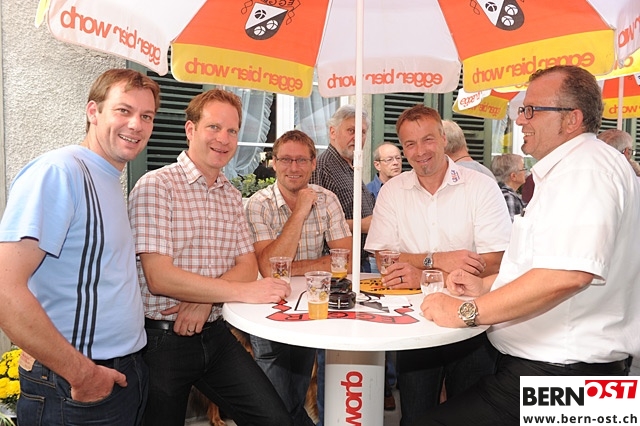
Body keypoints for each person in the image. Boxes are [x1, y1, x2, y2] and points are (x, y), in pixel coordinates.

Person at [419, 65, 640, 426]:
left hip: (564, 377)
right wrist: (486, 286)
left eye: (531, 109)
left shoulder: (584, 170)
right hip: (564, 371)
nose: (520, 119)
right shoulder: (577, 168)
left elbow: (567, 275)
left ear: (572, 119)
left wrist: (465, 312)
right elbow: (546, 263)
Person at [0, 69, 160, 425]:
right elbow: (4, 287)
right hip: (76, 387)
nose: (136, 124)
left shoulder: (107, 177)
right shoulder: (60, 171)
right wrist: (83, 375)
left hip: (120, 372)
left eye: (147, 116)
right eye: (123, 110)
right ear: (93, 112)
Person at [128, 89, 293, 426]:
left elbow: (247, 265)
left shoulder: (230, 194)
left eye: (232, 130)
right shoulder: (156, 186)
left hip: (216, 333)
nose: (224, 139)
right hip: (162, 341)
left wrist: (204, 300)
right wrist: (239, 291)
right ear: (190, 130)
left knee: (275, 419)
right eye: (214, 127)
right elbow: (160, 278)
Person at [364, 104, 512, 426]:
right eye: (410, 144)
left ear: (444, 138)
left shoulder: (481, 186)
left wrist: (422, 273)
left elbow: (496, 261)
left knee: (469, 418)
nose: (420, 151)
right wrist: (437, 260)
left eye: (428, 139)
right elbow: (383, 258)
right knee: (416, 416)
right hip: (414, 322)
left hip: (472, 319)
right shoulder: (392, 191)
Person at [244, 129, 352, 426]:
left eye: (302, 160)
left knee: (295, 394)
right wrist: (301, 211)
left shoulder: (327, 200)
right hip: (269, 311)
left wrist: (290, 266)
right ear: (274, 163)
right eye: (286, 160)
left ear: (313, 163)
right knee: (275, 401)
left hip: (311, 308)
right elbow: (269, 270)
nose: (294, 167)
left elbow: (344, 260)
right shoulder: (258, 204)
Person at [309, 105, 376, 425]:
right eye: (351, 130)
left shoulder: (350, 166)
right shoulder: (324, 165)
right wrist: (365, 224)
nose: (357, 137)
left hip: (356, 268)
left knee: (355, 349)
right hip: (334, 275)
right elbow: (318, 220)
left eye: (362, 132)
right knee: (334, 351)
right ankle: (332, 416)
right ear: (332, 132)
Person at [365, 141, 403, 411]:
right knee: (382, 321)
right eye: (389, 159)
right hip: (376, 262)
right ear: (377, 164)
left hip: (407, 260)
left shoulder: (409, 187)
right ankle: (385, 385)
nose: (396, 163)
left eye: (398, 158)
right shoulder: (369, 192)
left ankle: (394, 380)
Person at [491, 154, 527, 221]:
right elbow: (511, 225)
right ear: (513, 176)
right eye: (523, 168)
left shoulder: (496, 192)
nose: (525, 172)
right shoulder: (508, 197)